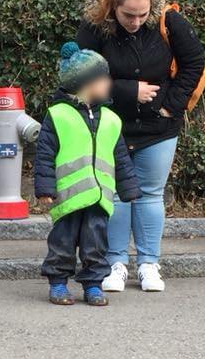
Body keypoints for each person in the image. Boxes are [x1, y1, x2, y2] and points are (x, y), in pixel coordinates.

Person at [74, 0, 205, 295]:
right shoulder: (94, 26)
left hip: (157, 129)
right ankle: (115, 263)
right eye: (128, 15)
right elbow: (80, 74)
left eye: (142, 15)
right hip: (110, 127)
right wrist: (128, 90)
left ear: (152, 6)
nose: (135, 22)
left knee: (149, 194)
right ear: (113, 6)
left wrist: (169, 107)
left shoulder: (169, 21)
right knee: (115, 194)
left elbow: (194, 64)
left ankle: (149, 264)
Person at [34, 42, 139, 306]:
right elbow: (45, 154)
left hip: (98, 198)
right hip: (68, 198)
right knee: (62, 243)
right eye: (105, 78)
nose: (109, 83)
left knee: (96, 245)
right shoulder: (57, 115)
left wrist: (129, 189)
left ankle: (93, 285)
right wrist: (45, 188)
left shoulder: (111, 119)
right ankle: (58, 283)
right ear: (87, 83)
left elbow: (120, 158)